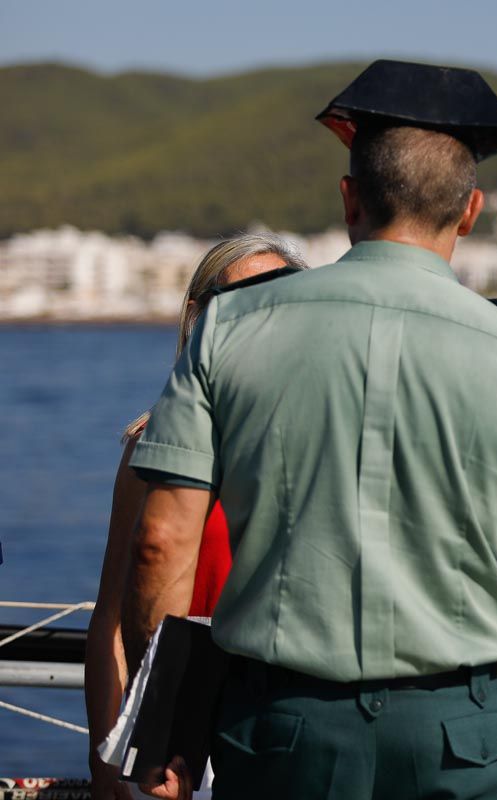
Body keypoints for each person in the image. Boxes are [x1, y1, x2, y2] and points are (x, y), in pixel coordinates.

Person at [119, 60, 497, 800]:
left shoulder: (231, 325)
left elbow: (161, 541)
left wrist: (167, 723)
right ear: (472, 210)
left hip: (281, 726)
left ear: (350, 199)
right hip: (461, 734)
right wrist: (460, 593)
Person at [85, 232, 307, 800]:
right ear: (197, 316)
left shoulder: (323, 439)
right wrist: (110, 759)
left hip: (300, 719)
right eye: (240, 302)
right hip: (186, 730)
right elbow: (112, 615)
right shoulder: (152, 444)